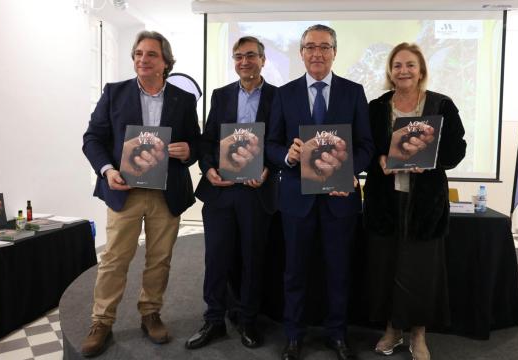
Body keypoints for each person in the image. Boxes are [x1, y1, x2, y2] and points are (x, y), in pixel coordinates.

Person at [81, 30, 201, 357]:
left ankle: (151, 312)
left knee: (159, 259)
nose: (142, 60)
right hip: (125, 190)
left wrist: (188, 150)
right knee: (115, 258)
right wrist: (108, 170)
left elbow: (196, 143)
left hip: (167, 192)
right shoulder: (114, 93)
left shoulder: (184, 99)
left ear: (165, 62)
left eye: (151, 55)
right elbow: (92, 139)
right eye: (138, 54)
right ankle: (101, 321)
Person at [266, 24, 374, 360]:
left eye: (324, 47)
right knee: (295, 271)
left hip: (339, 200)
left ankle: (337, 334)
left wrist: (350, 173)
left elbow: (367, 145)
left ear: (334, 52)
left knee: (338, 271)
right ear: (300, 53)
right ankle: (294, 335)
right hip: (297, 199)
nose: (317, 53)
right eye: (310, 47)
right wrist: (288, 154)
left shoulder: (353, 92)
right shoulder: (284, 94)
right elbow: (270, 143)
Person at [362, 42, 466, 360]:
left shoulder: (440, 105)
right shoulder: (378, 106)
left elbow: (457, 148)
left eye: (410, 65)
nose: (403, 71)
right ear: (390, 72)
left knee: (421, 270)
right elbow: (364, 147)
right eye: (397, 65)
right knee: (387, 267)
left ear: (421, 70)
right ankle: (392, 329)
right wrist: (378, 158)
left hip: (425, 204)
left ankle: (418, 335)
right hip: (386, 200)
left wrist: (432, 161)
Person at [186, 36, 278, 350]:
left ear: (263, 60)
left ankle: (248, 319)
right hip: (221, 190)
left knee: (253, 258)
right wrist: (209, 168)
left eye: (250, 55)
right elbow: (209, 140)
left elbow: (280, 143)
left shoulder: (278, 97)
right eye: (238, 56)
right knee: (217, 257)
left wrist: (268, 169)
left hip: (256, 191)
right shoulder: (221, 95)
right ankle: (213, 319)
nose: (244, 62)